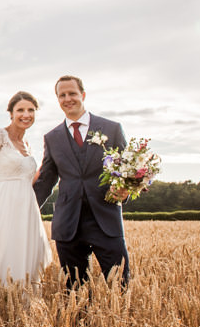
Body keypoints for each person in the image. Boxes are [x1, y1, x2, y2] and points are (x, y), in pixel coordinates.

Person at [33, 75, 130, 289]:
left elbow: (127, 170)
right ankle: (79, 325)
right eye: (62, 95)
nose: (68, 99)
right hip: (68, 224)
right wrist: (28, 209)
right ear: (58, 99)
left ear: (83, 95)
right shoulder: (52, 137)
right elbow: (46, 179)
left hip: (105, 219)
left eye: (72, 94)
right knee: (74, 292)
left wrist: (126, 190)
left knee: (120, 286)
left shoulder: (111, 128)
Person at [0, 91, 52, 284]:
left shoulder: (27, 145)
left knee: (26, 257)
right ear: (11, 113)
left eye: (31, 110)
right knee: (3, 254)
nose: (26, 114)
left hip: (27, 209)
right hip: (2, 206)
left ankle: (23, 304)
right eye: (20, 110)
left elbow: (27, 180)